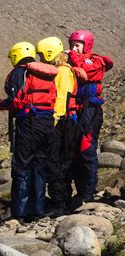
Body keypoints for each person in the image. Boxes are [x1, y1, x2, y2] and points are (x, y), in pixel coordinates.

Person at [0, 42, 57, 222]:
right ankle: (38, 209)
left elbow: (16, 101)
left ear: (16, 55)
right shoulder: (45, 72)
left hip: (28, 123)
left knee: (22, 165)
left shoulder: (20, 72)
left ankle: (20, 211)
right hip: (47, 122)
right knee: (40, 164)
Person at [36, 37, 87, 217]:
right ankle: (62, 200)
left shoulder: (62, 72)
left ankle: (59, 203)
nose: (41, 59)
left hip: (62, 123)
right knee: (61, 162)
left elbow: (61, 98)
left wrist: (54, 120)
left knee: (55, 162)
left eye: (42, 55)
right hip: (65, 121)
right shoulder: (62, 70)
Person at [67, 30, 114, 203]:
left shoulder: (95, 60)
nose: (74, 48)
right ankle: (80, 192)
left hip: (90, 111)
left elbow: (86, 69)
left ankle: (89, 191)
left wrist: (72, 56)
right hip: (75, 110)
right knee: (74, 151)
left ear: (86, 45)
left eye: (77, 45)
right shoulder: (72, 61)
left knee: (86, 148)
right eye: (71, 45)